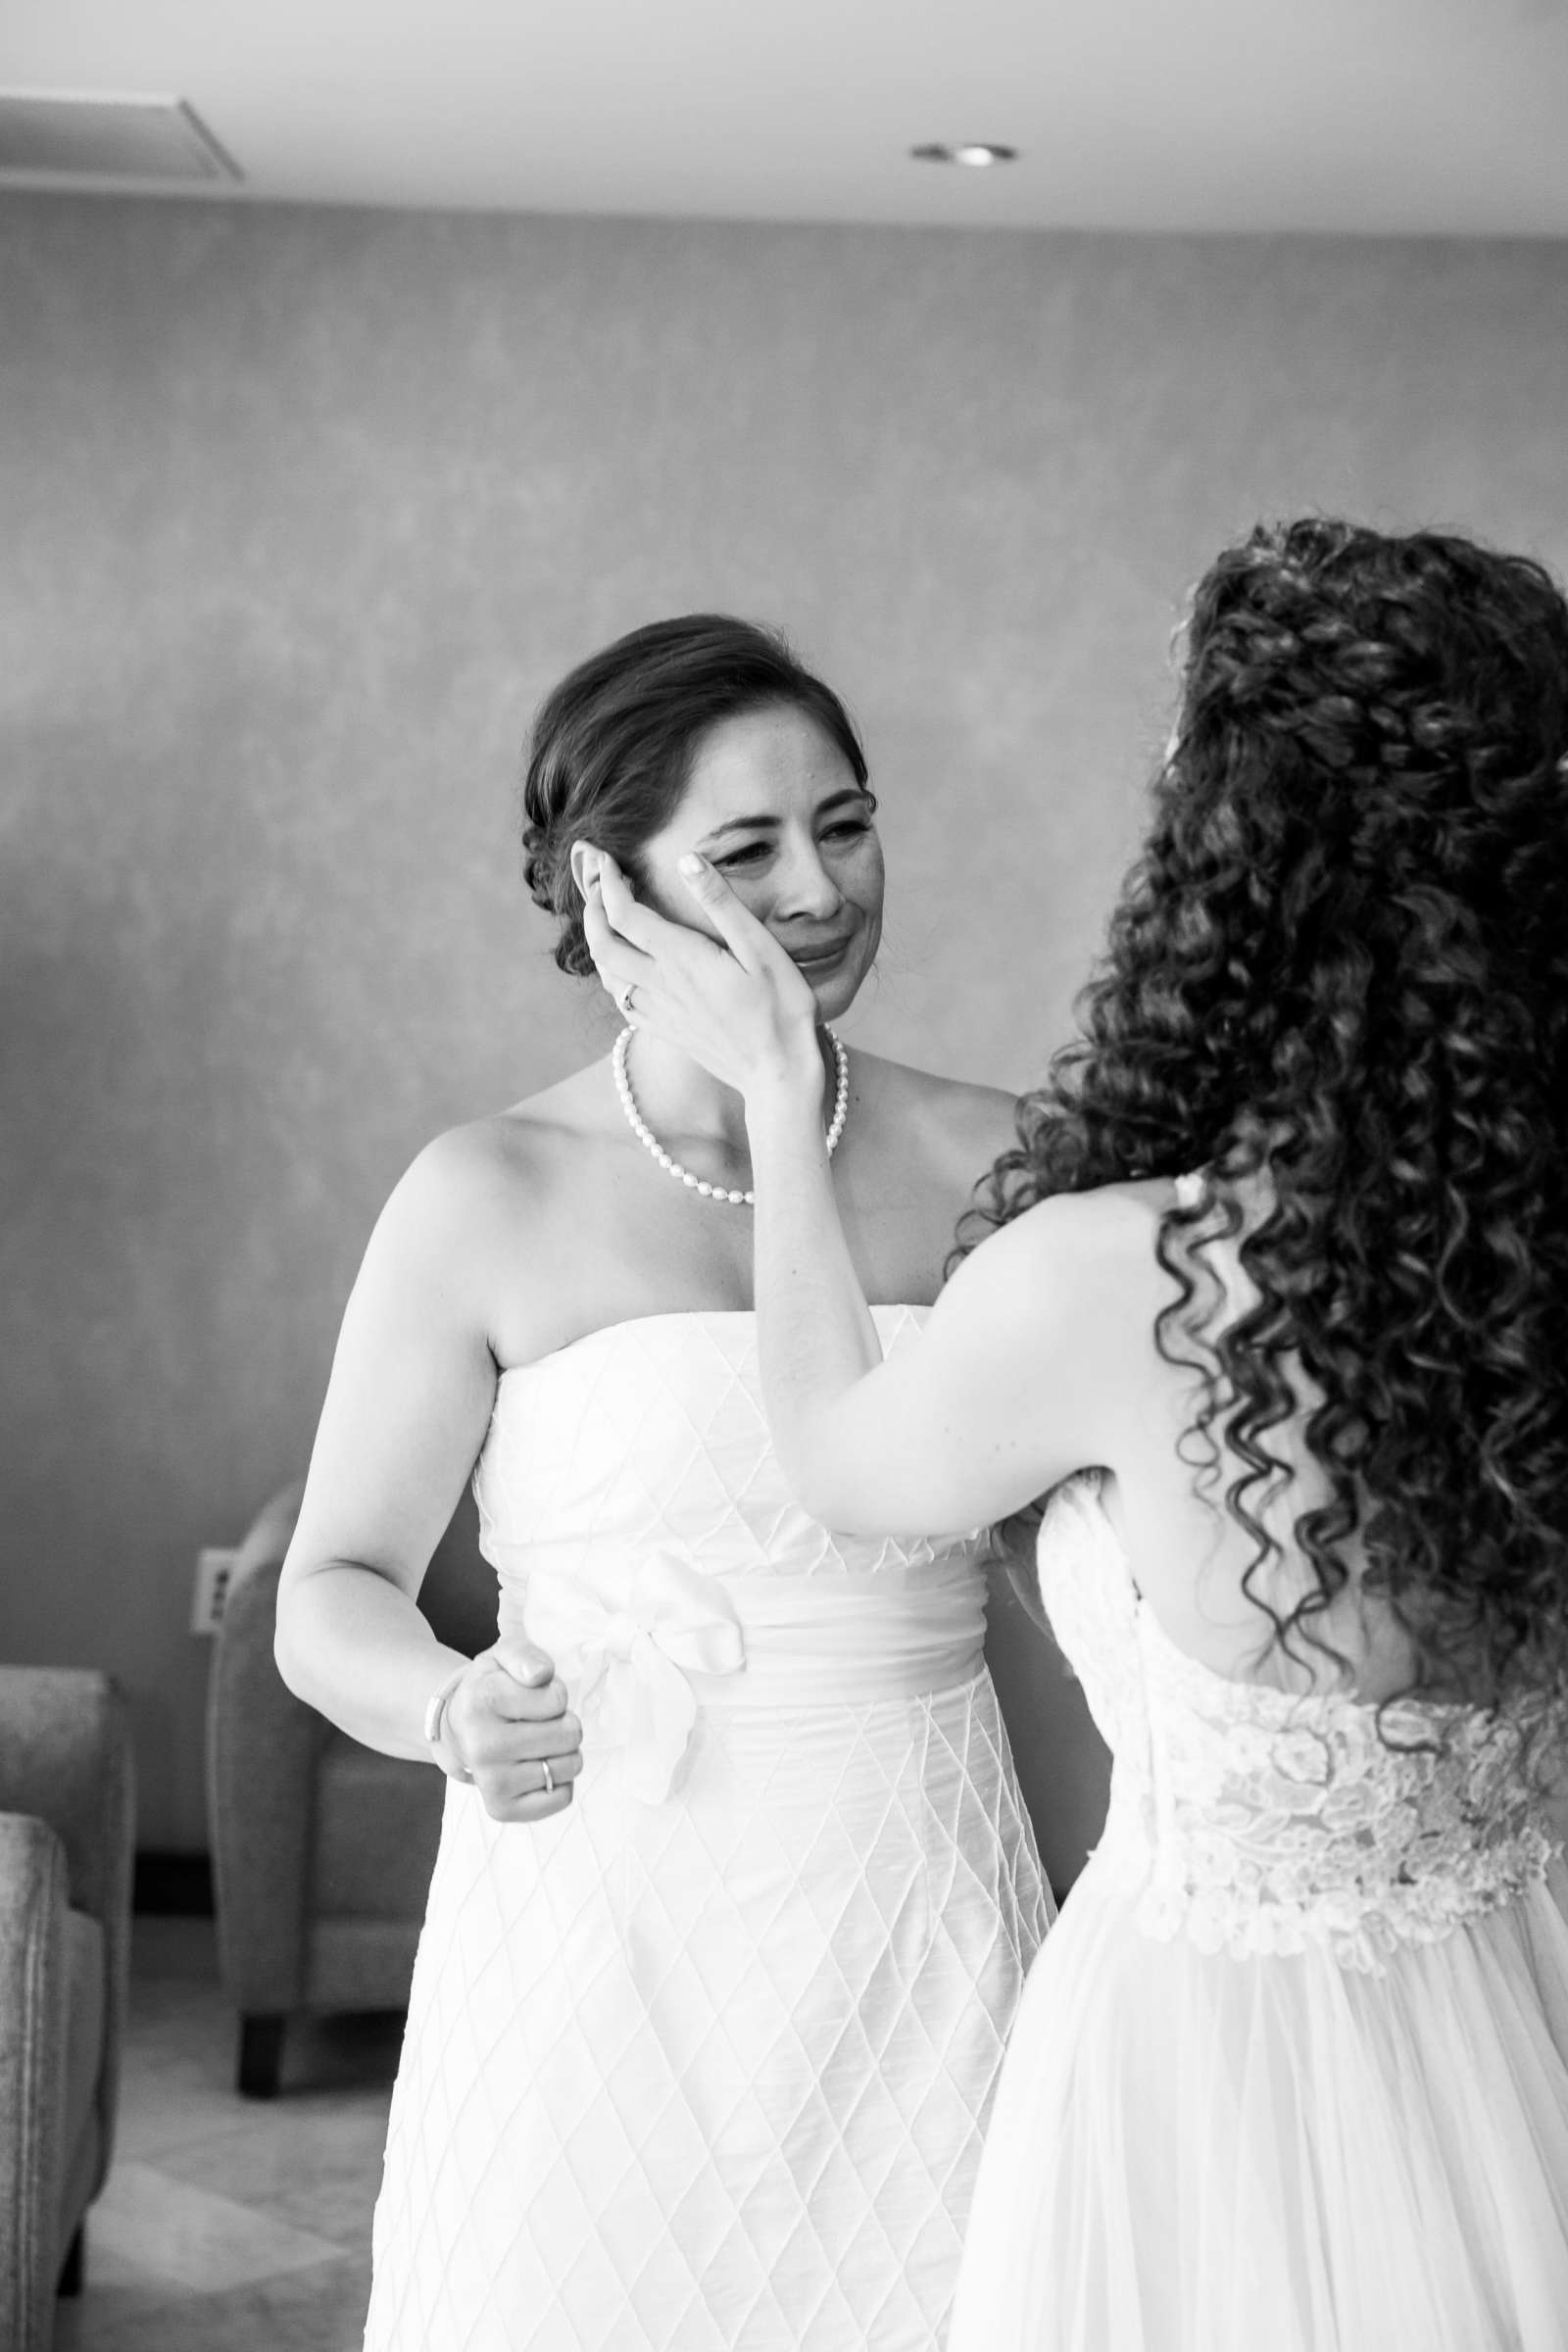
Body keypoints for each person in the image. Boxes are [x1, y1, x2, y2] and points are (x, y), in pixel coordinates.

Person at [584, 522, 1568, 2350]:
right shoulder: (1505, 1256)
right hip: (1517, 2024)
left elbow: (847, 1469)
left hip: (1211, 2077)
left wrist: (785, 1103)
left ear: (1239, 861)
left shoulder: (1127, 1279)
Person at [272, 613, 1053, 2352]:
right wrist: (450, 1710)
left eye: (845, 825)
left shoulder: (1001, 1162)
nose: (820, 888)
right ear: (605, 887)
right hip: (591, 1937)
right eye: (748, 848)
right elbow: (324, 1591)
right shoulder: (488, 1191)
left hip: (914, 1910)